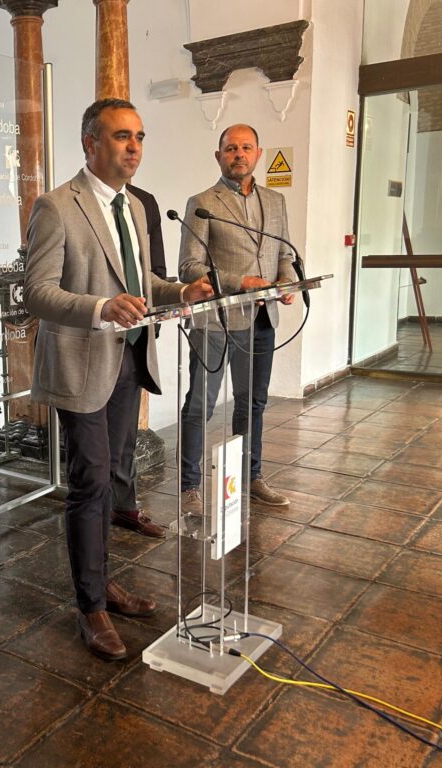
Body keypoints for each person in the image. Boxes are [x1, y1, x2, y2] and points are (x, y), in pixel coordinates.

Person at [23, 98, 213, 660]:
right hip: (81, 364)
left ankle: (102, 583)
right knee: (91, 484)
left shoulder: (134, 206)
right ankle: (90, 608)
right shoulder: (57, 205)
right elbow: (37, 293)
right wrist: (101, 308)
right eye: (122, 136)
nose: (134, 148)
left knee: (111, 480)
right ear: (91, 143)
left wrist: (180, 291)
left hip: (130, 360)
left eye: (139, 137)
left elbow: (142, 279)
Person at [177, 123, 297, 512]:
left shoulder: (276, 202)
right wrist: (239, 282)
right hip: (216, 321)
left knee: (253, 402)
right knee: (201, 404)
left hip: (262, 321)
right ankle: (190, 486)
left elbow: (284, 255)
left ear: (258, 154)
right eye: (231, 148)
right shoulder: (202, 202)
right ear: (219, 156)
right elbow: (188, 267)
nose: (239, 154)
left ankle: (251, 476)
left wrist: (287, 283)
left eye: (246, 147)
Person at [107, 183, 168, 539]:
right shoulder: (66, 202)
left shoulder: (143, 202)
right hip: (92, 342)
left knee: (127, 436)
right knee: (96, 451)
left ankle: (124, 506)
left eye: (136, 154)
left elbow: (153, 270)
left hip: (134, 337)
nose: (132, 154)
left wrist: (180, 293)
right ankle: (95, 513)